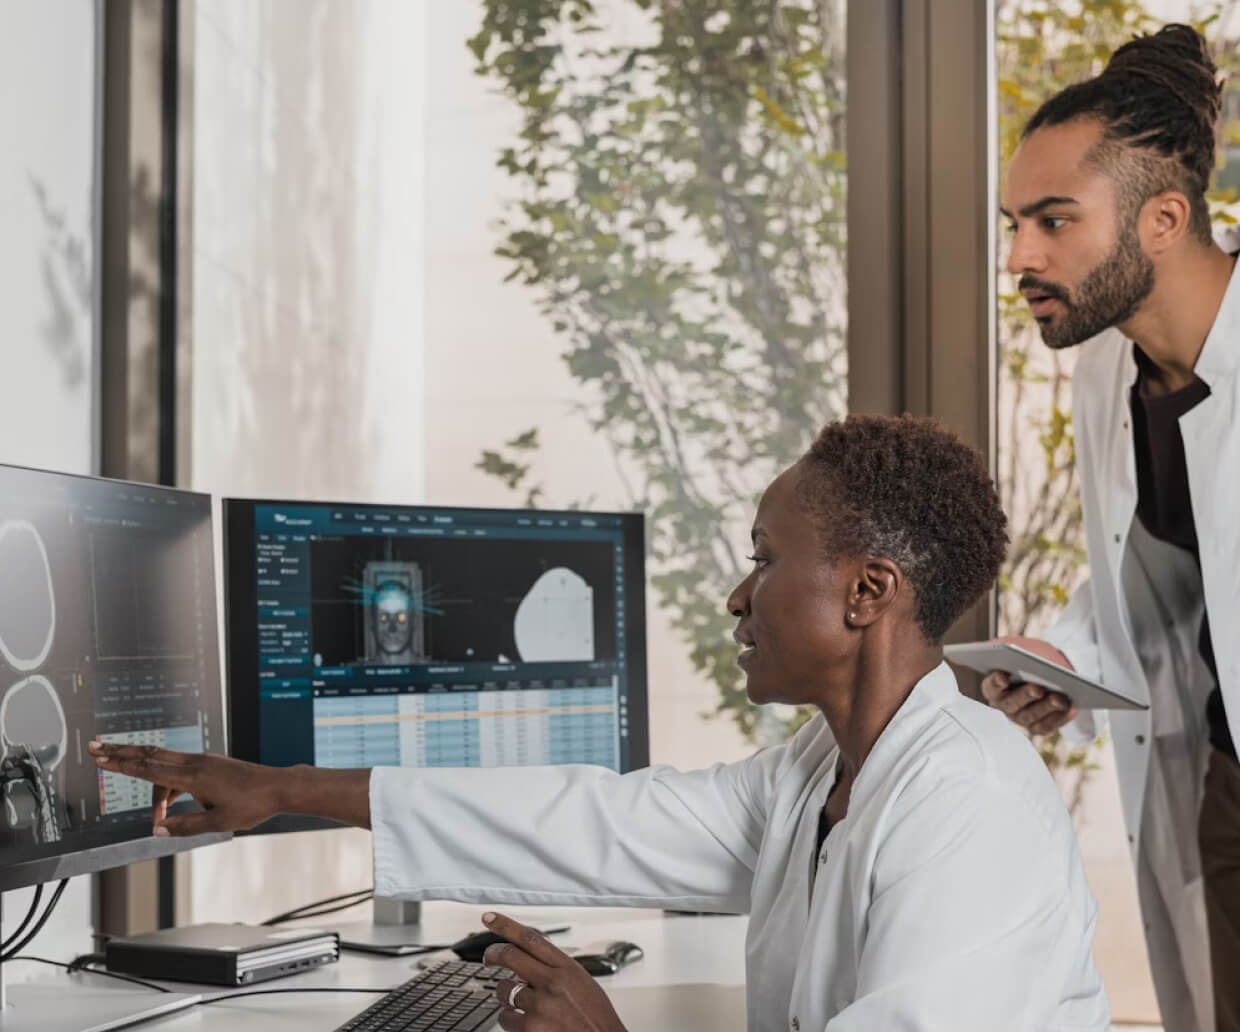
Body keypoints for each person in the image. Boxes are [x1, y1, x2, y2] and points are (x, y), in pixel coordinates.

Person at [90, 415, 1110, 1031]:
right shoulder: (823, 769)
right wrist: (281, 788)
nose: (737, 595)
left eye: (763, 558)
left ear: (866, 591)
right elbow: (601, 818)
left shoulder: (967, 801)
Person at [990, 23, 1240, 1032]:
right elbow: (1157, 581)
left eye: (1052, 221)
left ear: (1161, 218)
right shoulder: (1109, 370)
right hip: (1221, 790)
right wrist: (1066, 656)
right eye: (1012, 223)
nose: (1018, 257)